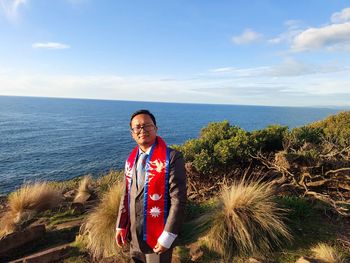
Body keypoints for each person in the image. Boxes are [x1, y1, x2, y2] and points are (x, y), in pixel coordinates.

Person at [115, 109, 187, 263]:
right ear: (132, 133)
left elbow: (178, 200)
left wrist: (168, 235)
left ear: (156, 128)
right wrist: (120, 225)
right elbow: (126, 195)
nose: (142, 130)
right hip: (133, 236)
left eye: (147, 125)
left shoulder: (172, 157)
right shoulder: (130, 161)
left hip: (157, 236)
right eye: (137, 127)